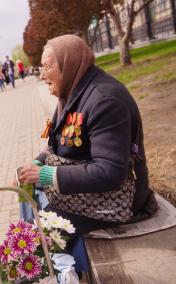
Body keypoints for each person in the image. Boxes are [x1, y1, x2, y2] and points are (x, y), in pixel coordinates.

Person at [18, 34, 157, 236]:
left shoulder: (105, 101)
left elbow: (109, 172)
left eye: (47, 67)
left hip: (116, 200)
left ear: (69, 65)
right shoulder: (73, 91)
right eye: (41, 67)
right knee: (29, 212)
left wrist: (45, 175)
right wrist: (36, 164)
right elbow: (55, 144)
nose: (42, 75)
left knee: (36, 234)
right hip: (88, 192)